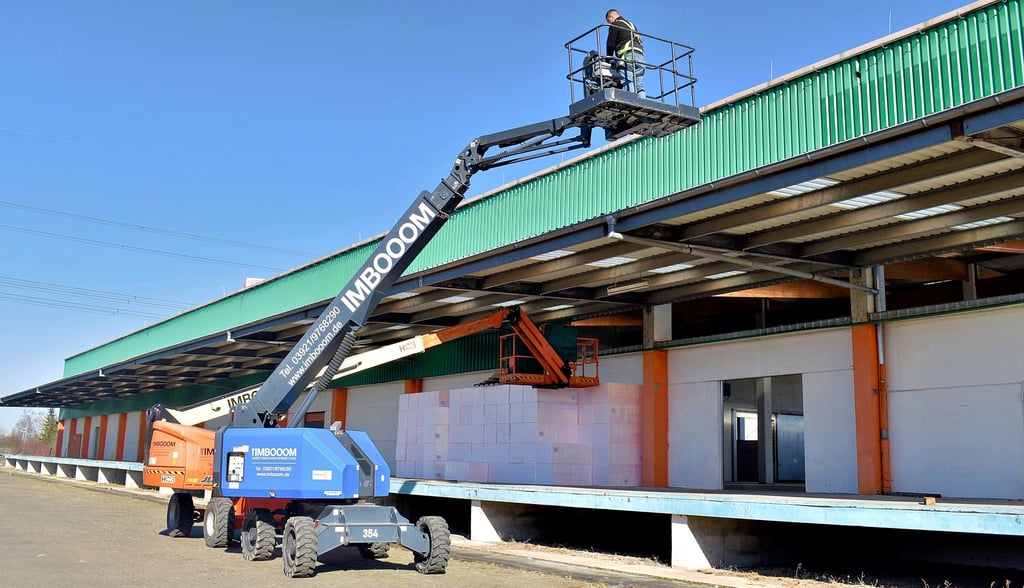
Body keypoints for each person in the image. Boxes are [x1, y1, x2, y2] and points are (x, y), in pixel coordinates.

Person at [605, 9, 645, 99]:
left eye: (608, 21)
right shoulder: (631, 25)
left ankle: (631, 104)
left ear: (611, 17)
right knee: (639, 86)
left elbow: (610, 44)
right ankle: (643, 103)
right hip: (640, 57)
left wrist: (608, 58)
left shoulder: (615, 25)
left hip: (627, 57)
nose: (609, 24)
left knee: (628, 81)